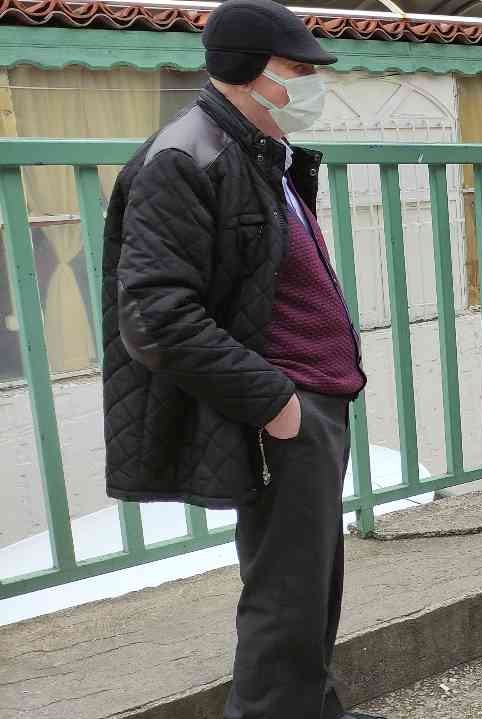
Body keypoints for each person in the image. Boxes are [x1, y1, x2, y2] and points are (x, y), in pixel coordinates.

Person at [100, 2, 379, 717]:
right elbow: (156, 316)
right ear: (251, 71)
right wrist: (276, 404)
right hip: (280, 410)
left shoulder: (261, 152)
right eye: (298, 70)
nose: (312, 83)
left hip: (315, 403)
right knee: (284, 607)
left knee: (313, 592)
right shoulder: (185, 157)